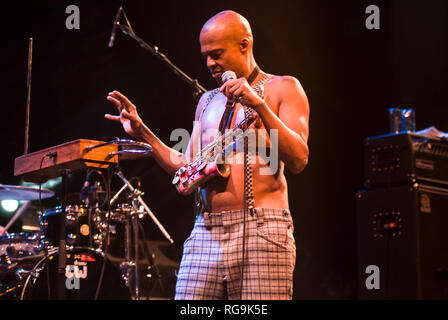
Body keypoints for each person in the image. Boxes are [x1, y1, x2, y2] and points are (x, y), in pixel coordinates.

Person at [105, 10, 309, 300]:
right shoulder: (207, 101)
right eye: (205, 56)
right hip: (207, 229)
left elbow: (299, 158)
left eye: (217, 53)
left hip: (263, 228)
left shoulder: (284, 87)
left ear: (244, 44)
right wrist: (142, 133)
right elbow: (188, 167)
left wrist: (260, 106)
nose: (210, 63)